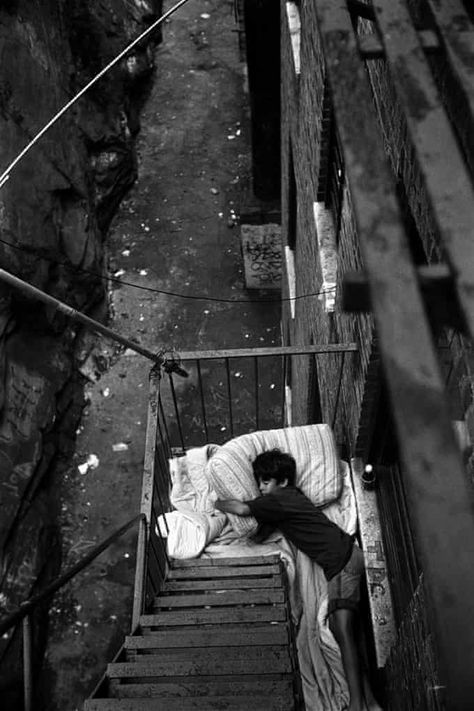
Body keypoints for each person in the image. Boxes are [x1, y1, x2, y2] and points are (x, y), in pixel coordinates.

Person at [215, 448, 367, 711]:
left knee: (342, 630)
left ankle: (359, 704)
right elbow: (260, 534)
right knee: (345, 632)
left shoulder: (280, 498)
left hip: (341, 561)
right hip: (345, 557)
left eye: (265, 482)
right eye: (259, 482)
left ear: (283, 481)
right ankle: (370, 702)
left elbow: (241, 508)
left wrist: (218, 503)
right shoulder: (290, 499)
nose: (261, 488)